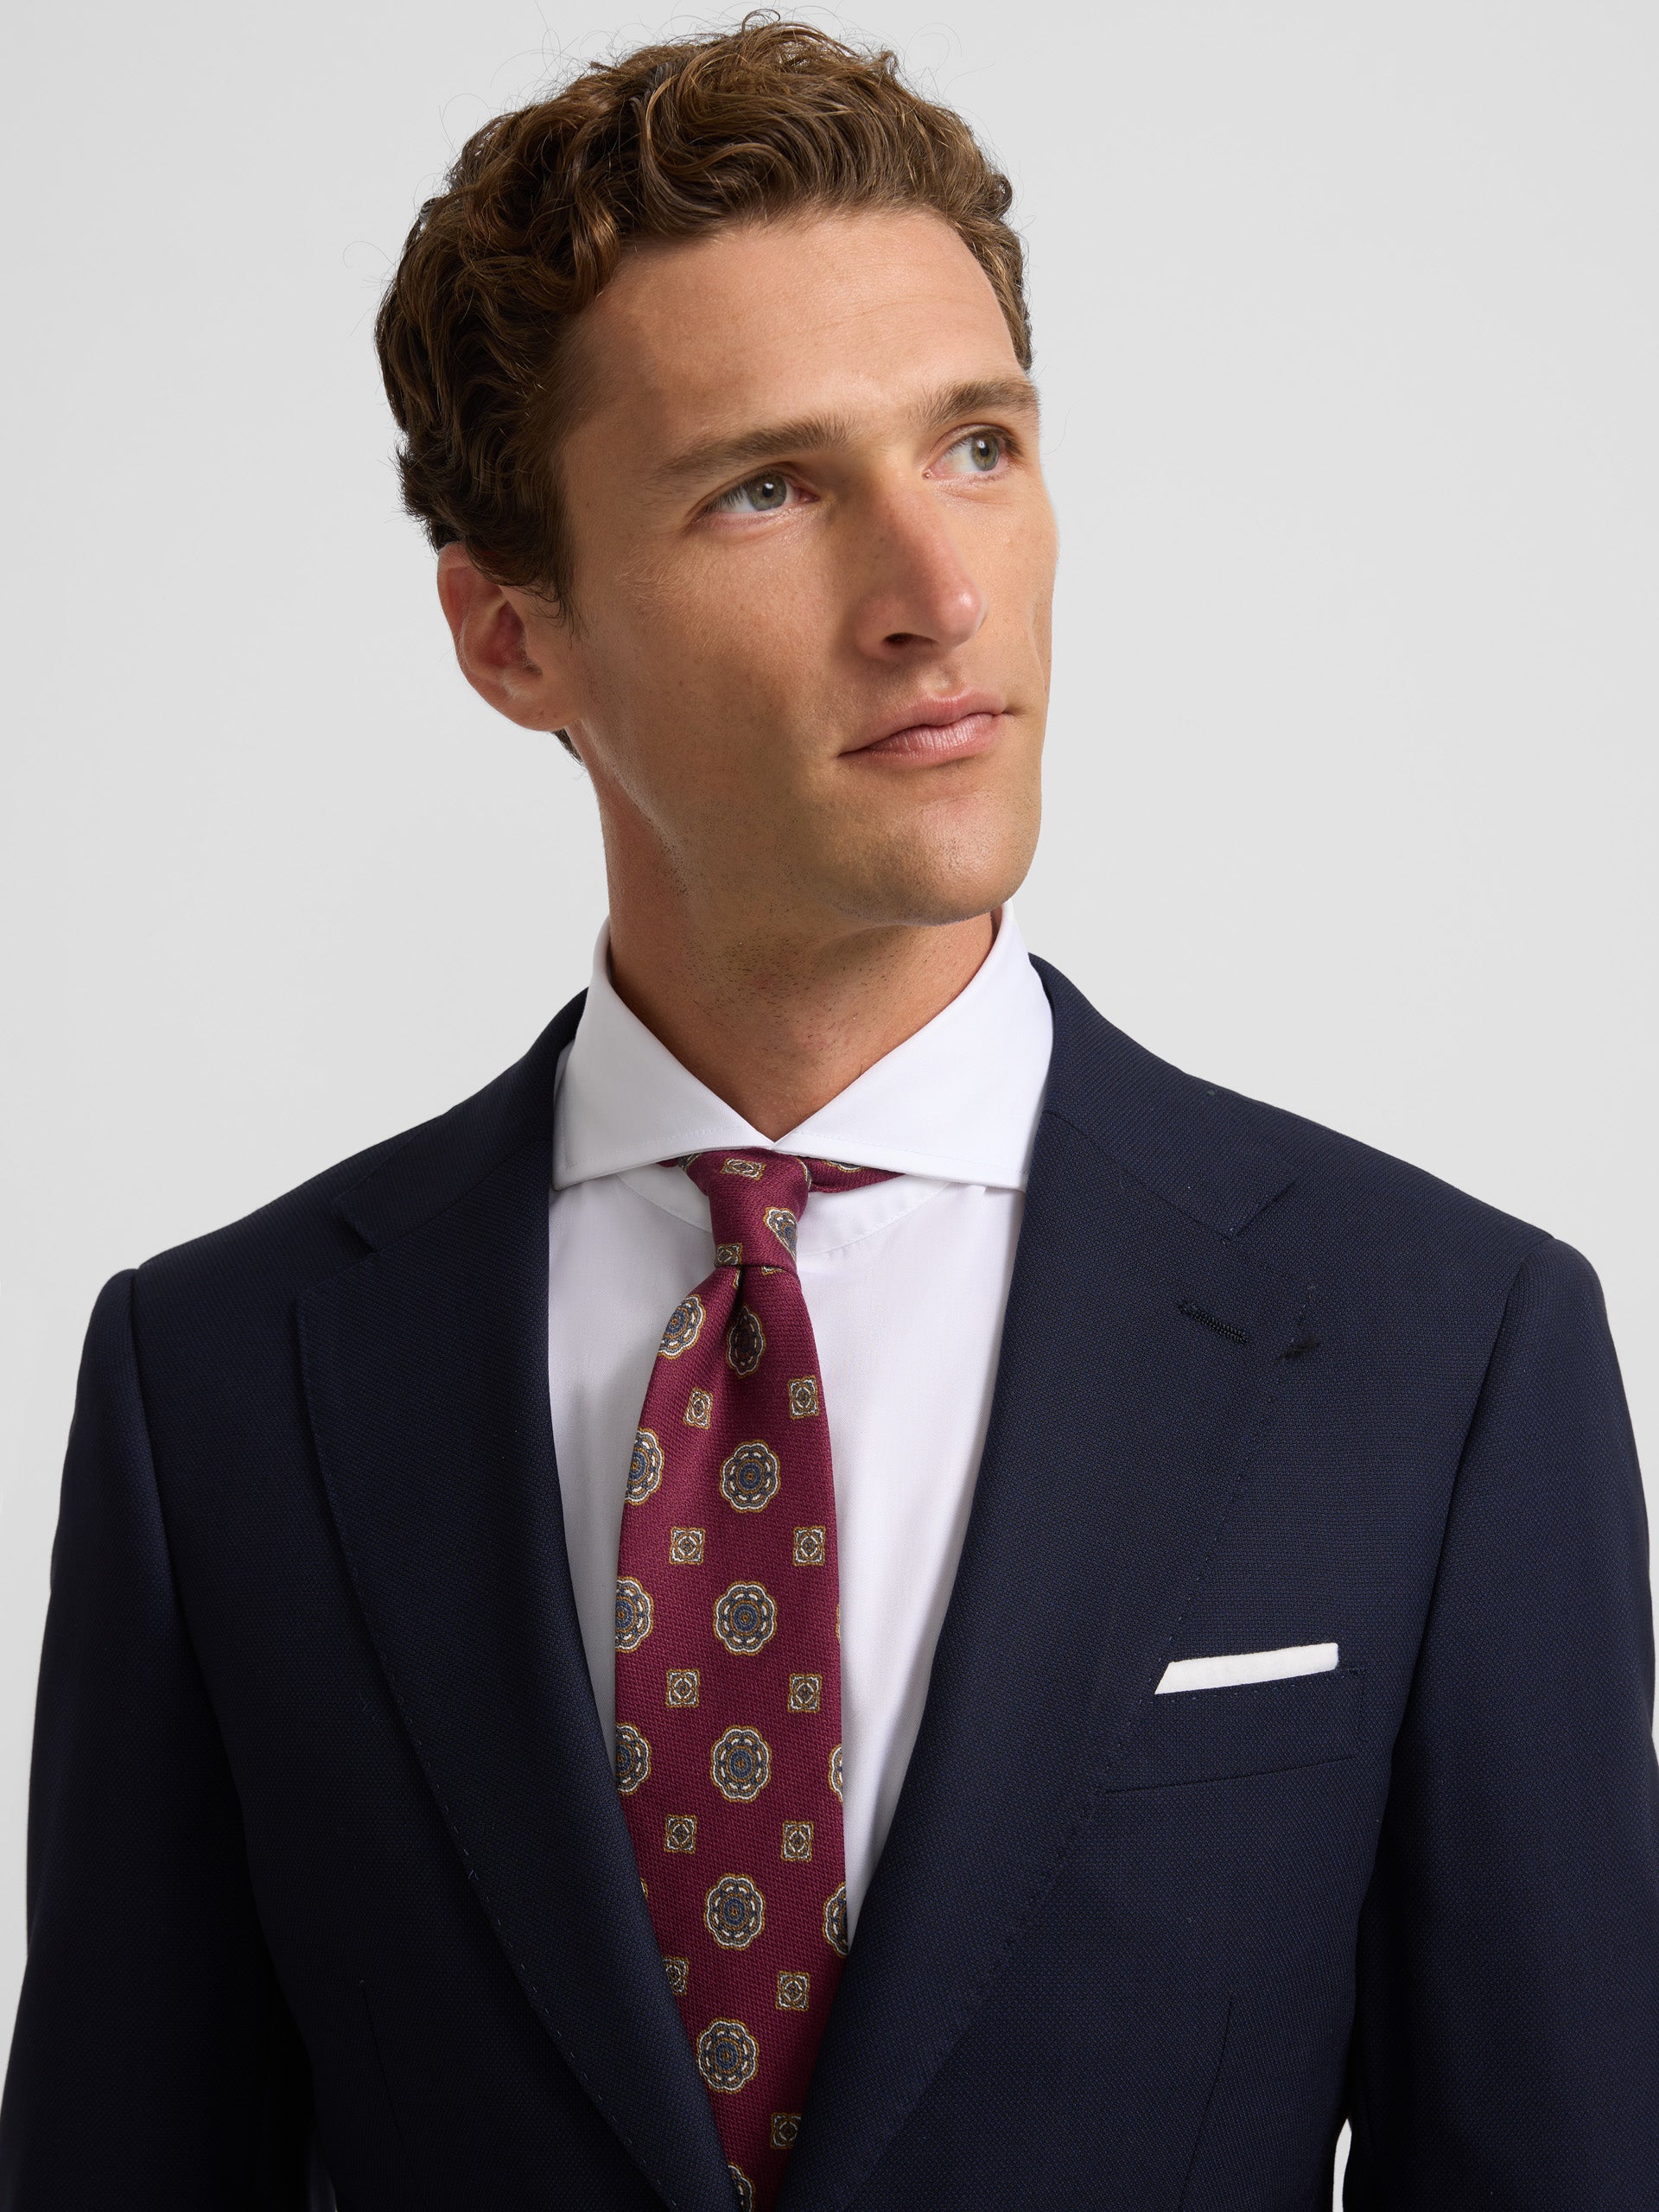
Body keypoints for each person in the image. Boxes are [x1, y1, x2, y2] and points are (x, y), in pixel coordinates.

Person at [3, 20, 1656, 2209]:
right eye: (768, 488)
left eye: (978, 445)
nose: (937, 595)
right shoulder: (220, 1385)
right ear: (509, 636)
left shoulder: (1441, 1353)